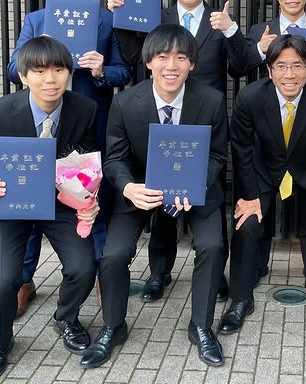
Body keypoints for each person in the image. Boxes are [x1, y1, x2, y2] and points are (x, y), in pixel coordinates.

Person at [80, 24, 228, 368]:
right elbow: (114, 159)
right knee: (113, 254)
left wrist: (195, 185)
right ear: (148, 62)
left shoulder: (212, 100)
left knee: (212, 246)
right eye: (162, 57)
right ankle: (113, 326)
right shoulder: (125, 102)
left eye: (180, 57)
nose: (171, 66)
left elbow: (218, 155)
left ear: (192, 63)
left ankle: (201, 326)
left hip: (194, 188)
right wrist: (128, 187)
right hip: (140, 187)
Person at [108, 0, 247, 303]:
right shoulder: (156, 16)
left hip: (202, 117)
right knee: (161, 200)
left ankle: (214, 274)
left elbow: (240, 66)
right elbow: (131, 56)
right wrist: (119, 17)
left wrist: (231, 30)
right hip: (158, 114)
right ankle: (159, 272)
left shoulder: (218, 21)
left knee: (208, 195)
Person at [6, 0, 131, 316]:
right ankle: (23, 280)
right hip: (41, 127)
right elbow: (13, 69)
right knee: (33, 201)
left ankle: (102, 276)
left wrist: (101, 69)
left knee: (93, 200)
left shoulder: (106, 20)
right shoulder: (37, 20)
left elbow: (124, 71)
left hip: (88, 125)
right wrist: (42, 61)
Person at [0, 36, 98, 381]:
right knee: (1, 283)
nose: (50, 79)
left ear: (69, 72)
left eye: (58, 69)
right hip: (9, 204)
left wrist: (89, 198)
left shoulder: (84, 109)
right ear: (24, 76)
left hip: (59, 203)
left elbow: (86, 164)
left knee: (84, 266)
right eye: (39, 71)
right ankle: (0, 341)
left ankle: (65, 318)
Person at [219, 34, 306, 336]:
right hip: (265, 171)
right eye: (281, 66)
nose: (289, 74)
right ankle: (240, 299)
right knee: (245, 224)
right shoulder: (249, 97)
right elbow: (241, 148)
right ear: (269, 70)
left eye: (297, 66)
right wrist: (249, 195)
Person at [239, 0, 306, 293]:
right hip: (268, 132)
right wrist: (259, 49)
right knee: (262, 204)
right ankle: (258, 264)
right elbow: (239, 66)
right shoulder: (259, 30)